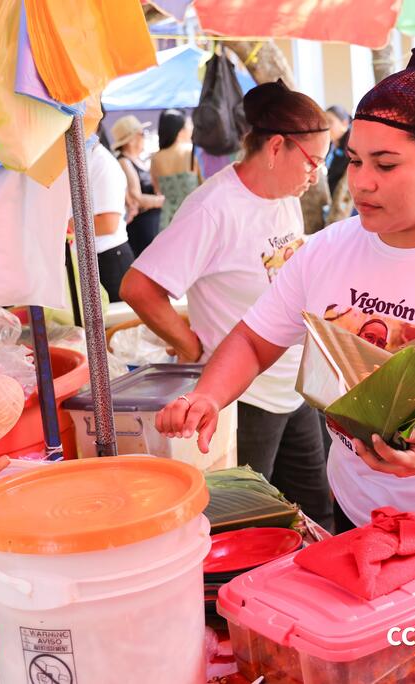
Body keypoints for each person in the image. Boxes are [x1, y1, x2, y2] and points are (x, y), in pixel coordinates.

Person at [154, 48, 415, 555]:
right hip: (369, 511)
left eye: (385, 164)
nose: (361, 182)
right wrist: (209, 396)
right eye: (353, 160)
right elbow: (252, 339)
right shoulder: (327, 250)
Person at [120, 79, 335, 530]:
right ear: (277, 147)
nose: (316, 174)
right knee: (249, 522)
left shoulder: (284, 199)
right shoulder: (213, 209)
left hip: (294, 385)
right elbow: (139, 286)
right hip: (243, 393)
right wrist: (193, 347)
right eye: (313, 161)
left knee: (316, 508)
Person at [70, 141, 134, 303]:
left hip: (107, 259)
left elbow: (107, 223)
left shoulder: (101, 161)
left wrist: (59, 225)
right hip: (84, 259)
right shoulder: (78, 157)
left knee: (109, 325)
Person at [111, 115, 164, 257]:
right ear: (131, 139)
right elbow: (136, 196)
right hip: (142, 225)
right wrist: (163, 201)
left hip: (149, 222)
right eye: (142, 134)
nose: (144, 138)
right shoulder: (124, 161)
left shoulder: (136, 160)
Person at [150, 109, 201, 230]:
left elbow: (157, 189)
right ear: (180, 130)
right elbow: (204, 183)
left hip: (168, 219)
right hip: (193, 216)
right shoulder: (190, 152)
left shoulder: (156, 158)